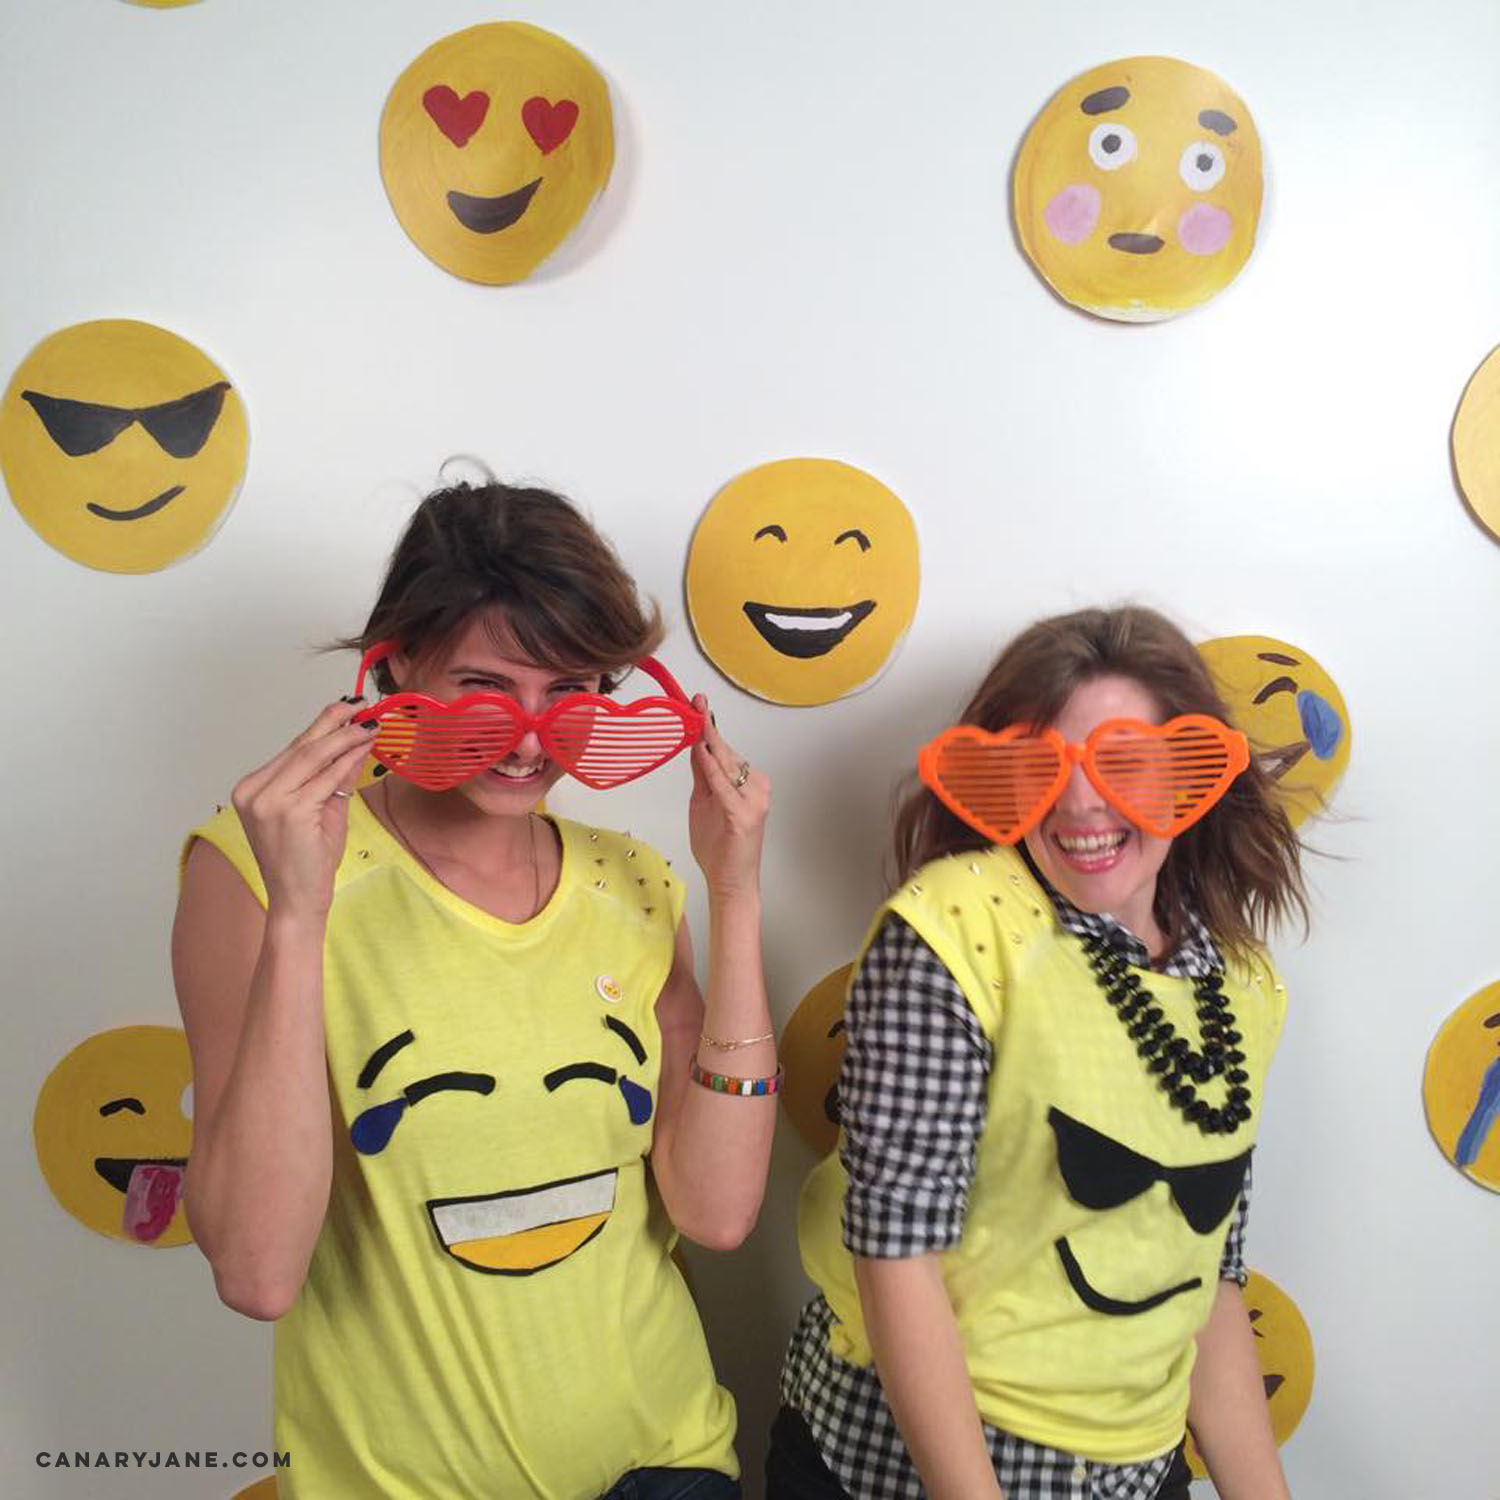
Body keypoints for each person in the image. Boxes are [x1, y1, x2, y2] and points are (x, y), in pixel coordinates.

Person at [172, 477, 777, 1500]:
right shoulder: (253, 873)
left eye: (569, 694)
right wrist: (298, 915)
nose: (531, 741)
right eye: (486, 689)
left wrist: (738, 893)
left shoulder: (635, 882)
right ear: (398, 662)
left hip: (666, 1465)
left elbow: (716, 1215)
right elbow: (258, 1270)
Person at [768, 605, 1307, 1500]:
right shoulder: (954, 932)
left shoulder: (1243, 986)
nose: (1081, 802)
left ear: (1189, 773)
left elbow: (1206, 1278)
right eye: (1041, 767)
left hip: (1135, 1469)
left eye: (1125, 762)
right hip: (910, 1469)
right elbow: (896, 1256)